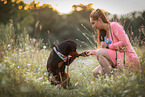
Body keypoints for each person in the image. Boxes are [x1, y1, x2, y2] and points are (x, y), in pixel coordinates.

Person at [82, 9, 140, 77]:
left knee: (100, 52)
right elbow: (107, 51)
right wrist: (92, 52)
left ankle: (111, 79)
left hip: (128, 58)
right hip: (118, 58)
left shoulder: (114, 25)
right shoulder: (104, 34)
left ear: (100, 20)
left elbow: (124, 43)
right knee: (96, 73)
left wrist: (107, 46)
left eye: (93, 23)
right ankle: (117, 75)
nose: (93, 26)